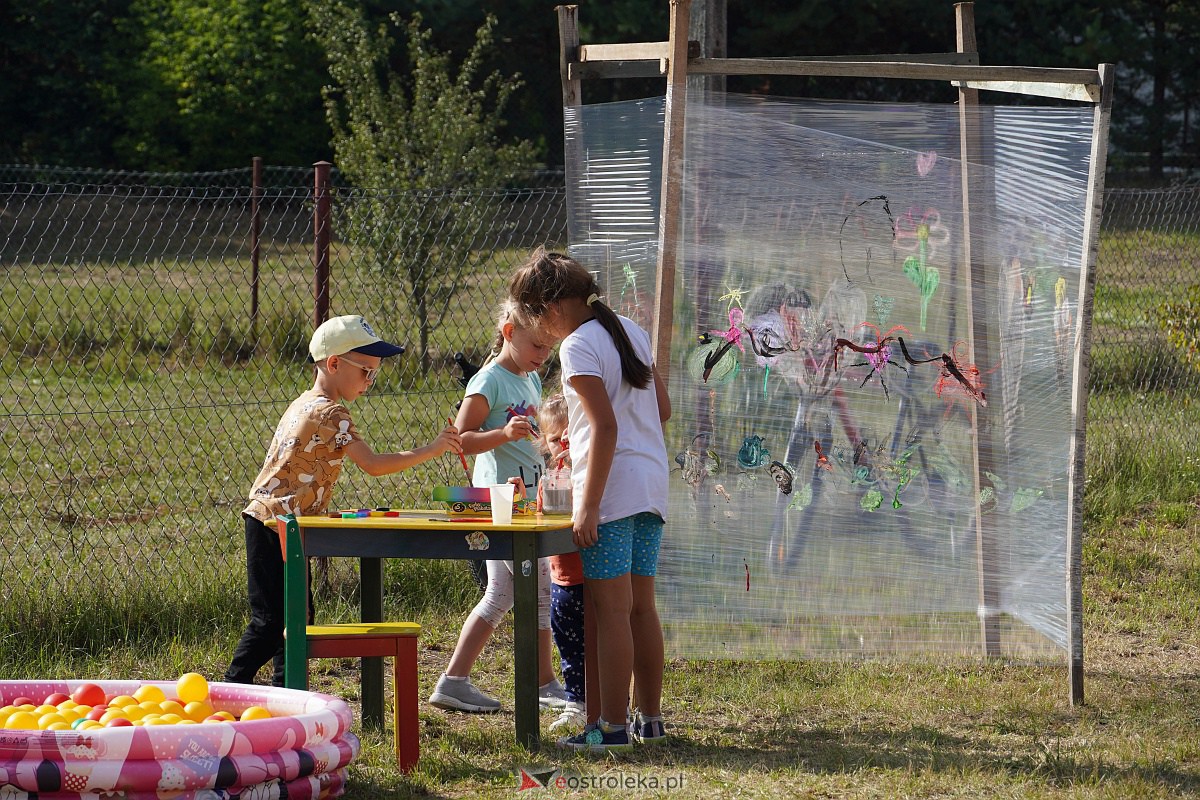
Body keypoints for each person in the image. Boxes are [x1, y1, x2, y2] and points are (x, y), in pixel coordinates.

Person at [224, 314, 462, 687]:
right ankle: (230, 689)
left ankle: (286, 695)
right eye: (366, 371)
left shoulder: (304, 402)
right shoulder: (332, 412)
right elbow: (373, 465)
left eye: (375, 373)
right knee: (274, 623)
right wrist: (432, 449)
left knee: (293, 621)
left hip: (275, 521)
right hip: (276, 524)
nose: (370, 381)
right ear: (333, 364)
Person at [508, 247, 672, 752]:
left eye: (535, 316)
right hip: (650, 488)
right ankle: (650, 721)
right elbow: (662, 408)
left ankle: (611, 730)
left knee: (612, 613)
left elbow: (603, 425)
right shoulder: (630, 330)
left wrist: (588, 503)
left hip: (613, 493)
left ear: (551, 308)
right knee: (642, 610)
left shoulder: (578, 345)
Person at [428, 300, 571, 714]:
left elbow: (533, 439)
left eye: (548, 348)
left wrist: (554, 448)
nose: (542, 356)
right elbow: (460, 438)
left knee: (502, 592)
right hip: (496, 502)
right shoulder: (488, 379)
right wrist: (503, 434)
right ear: (509, 332)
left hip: (524, 501)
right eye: (536, 345)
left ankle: (453, 681)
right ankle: (544, 683)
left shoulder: (530, 380)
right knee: (542, 588)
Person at [537, 393, 588, 732]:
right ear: (545, 443)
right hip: (562, 580)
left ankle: (604, 701)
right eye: (556, 440)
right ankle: (575, 700)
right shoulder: (551, 478)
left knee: (594, 643)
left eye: (569, 436)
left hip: (592, 577)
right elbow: (543, 514)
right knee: (567, 643)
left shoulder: (588, 474)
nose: (563, 445)